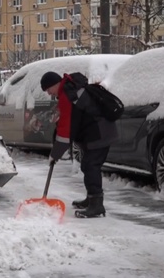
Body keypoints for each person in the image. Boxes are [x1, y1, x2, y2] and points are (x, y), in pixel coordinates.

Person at [40, 71, 118, 218]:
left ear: (54, 84)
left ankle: (96, 205)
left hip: (100, 133)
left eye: (48, 89)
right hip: (96, 132)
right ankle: (91, 199)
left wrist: (54, 155)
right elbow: (64, 124)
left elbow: (65, 133)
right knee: (87, 165)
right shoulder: (69, 91)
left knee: (90, 165)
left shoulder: (68, 96)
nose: (49, 93)